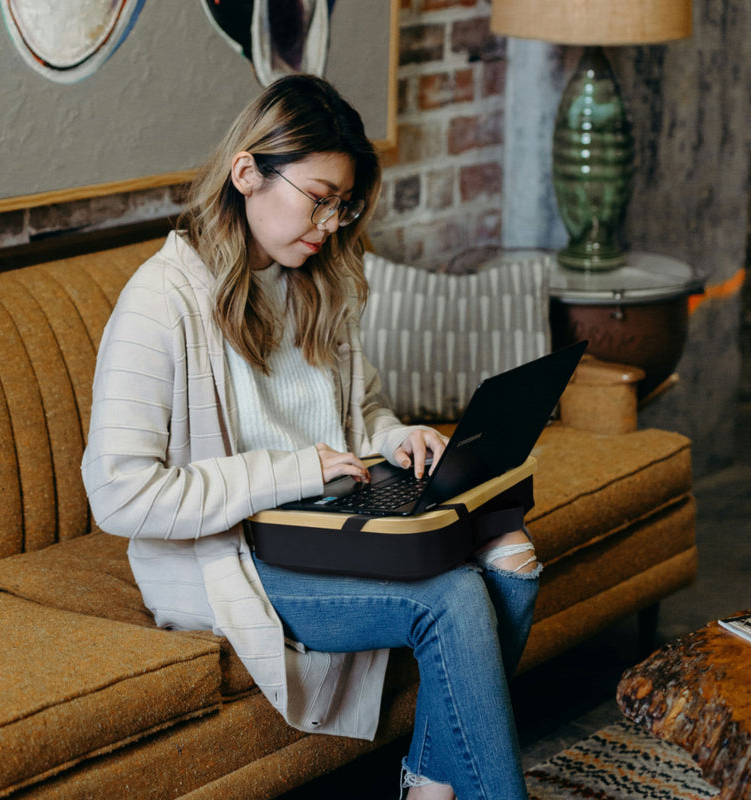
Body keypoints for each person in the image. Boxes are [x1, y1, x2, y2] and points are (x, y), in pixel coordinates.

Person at [81, 74, 540, 800]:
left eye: (343, 204)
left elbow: (363, 414)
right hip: (232, 558)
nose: (330, 223)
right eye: (318, 198)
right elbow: (118, 494)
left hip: (329, 522)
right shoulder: (160, 302)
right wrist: (294, 470)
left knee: (511, 554)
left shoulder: (316, 280)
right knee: (450, 595)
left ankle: (434, 781)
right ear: (246, 173)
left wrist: (393, 439)